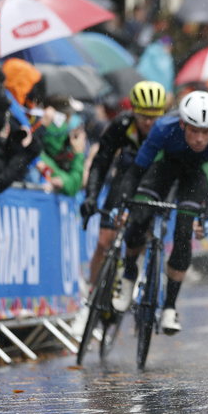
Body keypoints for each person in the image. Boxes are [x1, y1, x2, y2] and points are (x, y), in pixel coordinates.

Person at [114, 90, 208, 336]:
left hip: (194, 176)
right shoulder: (163, 127)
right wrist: (125, 204)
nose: (200, 139)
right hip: (163, 168)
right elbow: (137, 170)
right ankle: (128, 275)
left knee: (183, 229)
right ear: (182, 124)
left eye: (206, 132)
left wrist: (204, 217)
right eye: (193, 131)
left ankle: (169, 306)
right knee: (140, 215)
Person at [80, 81, 167, 287]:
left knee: (142, 235)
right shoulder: (122, 124)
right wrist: (91, 196)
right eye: (144, 115)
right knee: (104, 242)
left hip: (154, 183)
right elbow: (101, 163)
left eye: (154, 116)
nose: (149, 121)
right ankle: (91, 296)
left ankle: (136, 278)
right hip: (124, 180)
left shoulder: (167, 130)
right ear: (133, 111)